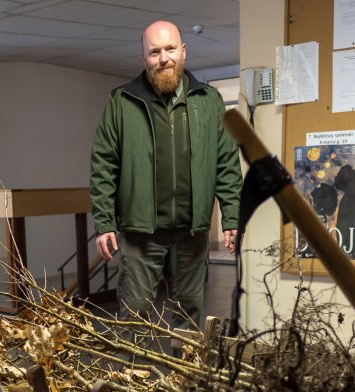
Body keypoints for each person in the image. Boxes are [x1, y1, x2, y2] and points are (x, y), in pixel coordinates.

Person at [90, 20, 242, 331]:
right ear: (143, 57)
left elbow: (225, 161)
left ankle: (184, 379)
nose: (164, 58)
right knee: (134, 317)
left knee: (188, 316)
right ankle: (133, 379)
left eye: (170, 49)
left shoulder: (209, 100)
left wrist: (232, 217)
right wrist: (104, 222)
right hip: (140, 235)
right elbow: (104, 164)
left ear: (183, 51)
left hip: (191, 232)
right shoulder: (122, 101)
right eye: (154, 52)